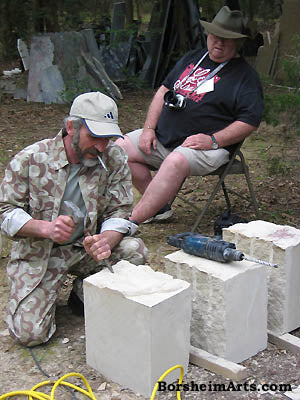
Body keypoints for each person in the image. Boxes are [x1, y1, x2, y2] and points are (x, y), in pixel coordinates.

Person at [0, 91, 148, 347]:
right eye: (94, 137)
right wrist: (45, 228)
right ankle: (44, 293)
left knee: (134, 251)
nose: (102, 146)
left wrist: (106, 240)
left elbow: (120, 211)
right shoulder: (31, 159)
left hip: (85, 249)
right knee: (30, 334)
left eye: (108, 138)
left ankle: (83, 293)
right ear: (71, 127)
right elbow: (4, 211)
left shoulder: (113, 158)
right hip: (41, 253)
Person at [116, 6, 263, 224]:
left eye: (226, 39)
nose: (219, 43)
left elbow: (249, 121)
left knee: (175, 161)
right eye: (215, 36)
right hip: (165, 136)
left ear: (238, 43)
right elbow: (164, 91)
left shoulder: (245, 77)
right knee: (119, 148)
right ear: (208, 35)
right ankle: (157, 207)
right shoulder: (194, 58)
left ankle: (130, 222)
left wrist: (213, 140)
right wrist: (148, 128)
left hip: (207, 147)